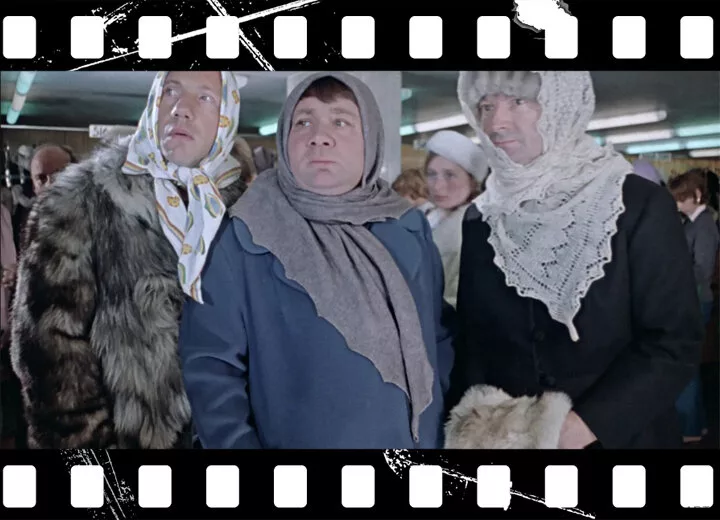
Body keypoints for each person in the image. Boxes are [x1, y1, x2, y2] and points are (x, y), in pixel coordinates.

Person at [178, 72, 455, 449]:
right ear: (284, 138)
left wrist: (438, 415)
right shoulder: (244, 235)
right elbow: (211, 371)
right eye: (304, 122)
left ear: (370, 138)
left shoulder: (406, 225)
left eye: (341, 121)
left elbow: (436, 333)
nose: (319, 136)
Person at [446, 70, 703, 449]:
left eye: (519, 102)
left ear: (561, 106)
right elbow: (474, 345)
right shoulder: (482, 217)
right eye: (485, 106)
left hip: (622, 438)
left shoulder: (635, 204)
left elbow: (674, 342)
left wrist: (585, 425)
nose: (496, 123)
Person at [10, 71, 247, 449]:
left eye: (205, 98)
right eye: (171, 91)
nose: (181, 109)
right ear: (153, 102)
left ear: (226, 116)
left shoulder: (239, 209)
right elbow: (48, 352)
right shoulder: (80, 198)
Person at [668, 169, 720, 442]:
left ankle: (689, 427)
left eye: (681, 198)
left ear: (697, 195)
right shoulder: (693, 223)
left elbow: (702, 270)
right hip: (691, 299)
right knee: (690, 365)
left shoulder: (705, 226)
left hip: (696, 301)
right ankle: (696, 425)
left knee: (685, 364)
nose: (677, 204)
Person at [423, 130, 488, 307]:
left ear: (472, 181)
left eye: (450, 175)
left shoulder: (476, 229)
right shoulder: (427, 216)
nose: (438, 186)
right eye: (431, 174)